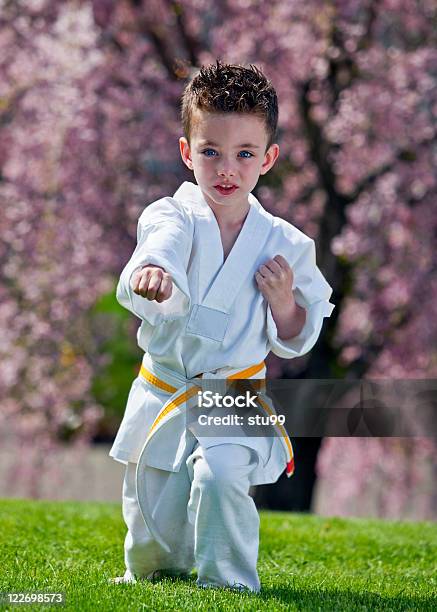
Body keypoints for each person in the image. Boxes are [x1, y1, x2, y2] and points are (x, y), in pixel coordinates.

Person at [109, 59, 335, 593]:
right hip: (166, 382)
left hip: (234, 389)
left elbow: (303, 331)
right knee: (153, 502)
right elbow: (158, 245)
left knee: (220, 475)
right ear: (187, 152)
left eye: (244, 154)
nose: (226, 169)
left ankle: (229, 582)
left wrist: (282, 302)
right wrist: (155, 272)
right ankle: (154, 573)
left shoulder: (288, 244)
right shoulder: (172, 215)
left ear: (269, 159)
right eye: (210, 151)